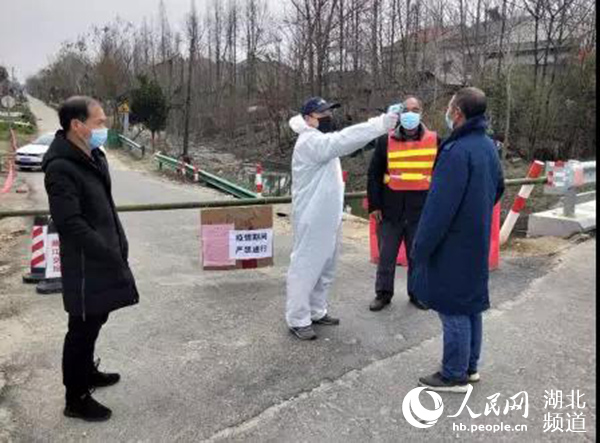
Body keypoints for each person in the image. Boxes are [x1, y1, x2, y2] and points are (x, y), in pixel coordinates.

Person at [43, 96, 139, 421]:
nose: (104, 128)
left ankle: (87, 372)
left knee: (96, 320)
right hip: (85, 264)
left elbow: (104, 208)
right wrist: (104, 249)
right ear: (77, 125)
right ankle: (76, 397)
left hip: (104, 257)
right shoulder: (61, 168)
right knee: (81, 329)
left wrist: (117, 243)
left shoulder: (94, 157)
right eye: (99, 122)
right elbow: (69, 223)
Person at [411, 87, 504, 393]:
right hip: (476, 237)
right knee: (470, 304)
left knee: (452, 307)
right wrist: (475, 212)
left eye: (450, 107)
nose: (448, 112)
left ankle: (453, 374)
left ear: (458, 113)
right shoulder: (487, 145)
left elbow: (438, 209)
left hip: (452, 244)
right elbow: (498, 188)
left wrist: (420, 248)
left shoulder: (456, 151)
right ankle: (470, 367)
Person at [286, 97, 399, 340]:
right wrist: (380, 124)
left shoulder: (321, 140)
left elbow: (349, 144)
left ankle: (316, 310)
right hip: (312, 217)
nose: (328, 117)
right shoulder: (310, 141)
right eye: (322, 113)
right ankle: (298, 318)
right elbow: (343, 140)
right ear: (308, 118)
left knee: (325, 267)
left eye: (329, 111)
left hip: (328, 216)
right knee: (306, 267)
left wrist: (374, 135)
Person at [367, 96, 442, 312]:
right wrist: (374, 206)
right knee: (386, 256)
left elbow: (441, 176)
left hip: (421, 211)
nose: (411, 114)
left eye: (415, 110)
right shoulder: (385, 140)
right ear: (400, 114)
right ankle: (383, 294)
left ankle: (417, 293)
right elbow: (374, 175)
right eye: (406, 110)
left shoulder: (435, 141)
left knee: (417, 256)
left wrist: (436, 208)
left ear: (421, 113)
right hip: (390, 210)